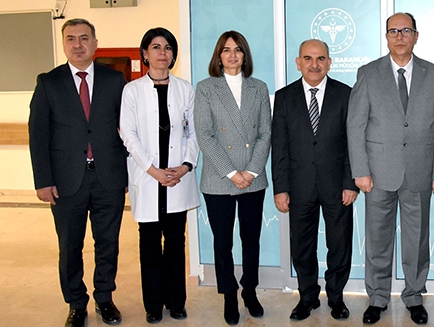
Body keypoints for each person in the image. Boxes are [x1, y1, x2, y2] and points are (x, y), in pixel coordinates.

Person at [347, 12, 434, 325]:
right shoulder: (368, 73)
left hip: (420, 171)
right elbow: (355, 125)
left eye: (406, 30)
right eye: (393, 31)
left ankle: (414, 296)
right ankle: (377, 298)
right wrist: (360, 170)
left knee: (417, 241)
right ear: (386, 36)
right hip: (377, 173)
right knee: (378, 239)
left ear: (416, 35)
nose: (399, 36)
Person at [29, 18, 127, 327]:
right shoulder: (49, 82)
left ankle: (104, 298)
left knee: (107, 243)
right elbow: (38, 134)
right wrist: (43, 181)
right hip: (65, 181)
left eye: (84, 38)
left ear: (95, 43)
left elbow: (130, 129)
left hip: (108, 178)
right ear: (63, 44)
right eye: (70, 38)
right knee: (70, 246)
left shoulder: (115, 80)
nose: (78, 44)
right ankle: (75, 303)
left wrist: (127, 172)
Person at [271, 39, 357, 321]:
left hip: (337, 185)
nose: (314, 64)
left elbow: (353, 143)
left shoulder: (346, 94)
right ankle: (307, 297)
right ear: (298, 63)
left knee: (340, 244)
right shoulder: (284, 97)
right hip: (299, 186)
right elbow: (279, 147)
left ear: (329, 63)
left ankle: (336, 297)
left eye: (320, 59)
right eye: (307, 58)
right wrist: (281, 188)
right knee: (302, 246)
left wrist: (350, 183)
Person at [119, 27, 200, 324]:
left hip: (177, 177)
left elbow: (195, 132)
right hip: (148, 177)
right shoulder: (132, 90)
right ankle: (153, 305)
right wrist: (153, 170)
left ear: (173, 54)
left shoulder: (185, 89)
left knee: (176, 244)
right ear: (145, 53)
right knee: (150, 245)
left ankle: (177, 302)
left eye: (167, 47)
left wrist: (185, 166)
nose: (162, 53)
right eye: (156, 47)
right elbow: (128, 135)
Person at [194, 30, 272, 325]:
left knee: (251, 239)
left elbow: (265, 132)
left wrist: (250, 172)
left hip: (253, 177)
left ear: (245, 55)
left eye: (238, 49)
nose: (232, 55)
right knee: (222, 241)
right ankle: (229, 294)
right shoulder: (206, 88)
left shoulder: (259, 87)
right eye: (226, 50)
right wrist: (231, 173)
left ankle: (249, 291)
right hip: (219, 178)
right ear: (218, 55)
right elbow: (205, 134)